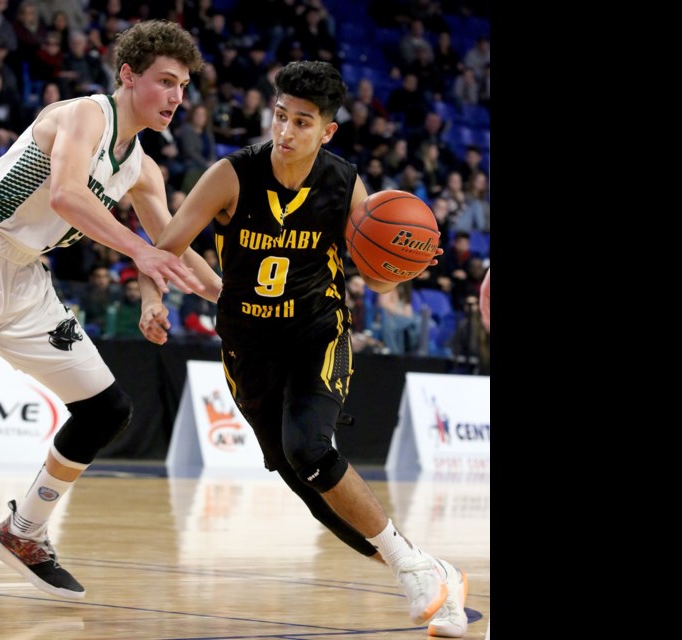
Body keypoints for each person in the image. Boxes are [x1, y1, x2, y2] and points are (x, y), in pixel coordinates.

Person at [137, 61, 468, 637]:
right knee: (311, 489)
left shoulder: (346, 185)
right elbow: (161, 248)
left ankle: (414, 570)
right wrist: (150, 300)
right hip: (248, 349)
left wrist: (404, 264)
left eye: (303, 122)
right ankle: (431, 570)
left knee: (310, 448)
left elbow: (381, 279)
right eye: (281, 117)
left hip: (318, 334)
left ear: (328, 131)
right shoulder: (231, 175)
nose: (286, 132)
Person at [0, 20, 222, 600]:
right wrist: (141, 254)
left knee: (106, 410)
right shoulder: (83, 114)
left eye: (183, 85)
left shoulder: (144, 170)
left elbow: (172, 248)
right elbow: (67, 195)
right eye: (165, 82)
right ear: (128, 76)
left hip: (27, 279)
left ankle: (23, 531)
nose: (176, 97)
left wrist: (232, 304)